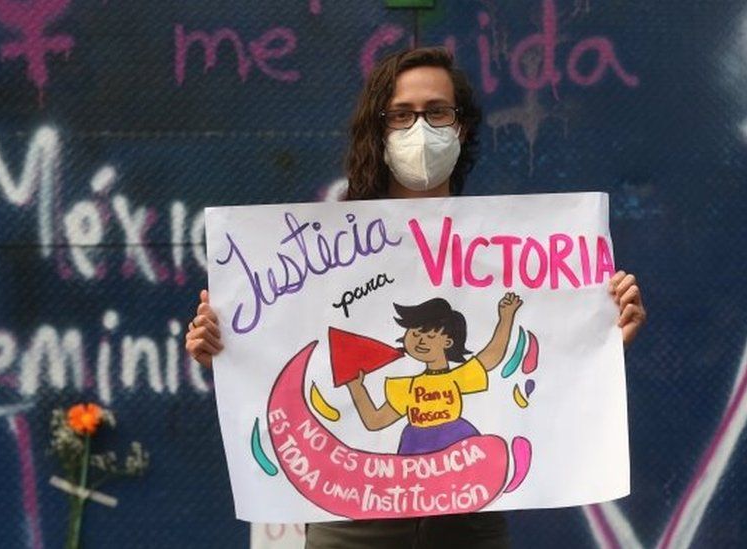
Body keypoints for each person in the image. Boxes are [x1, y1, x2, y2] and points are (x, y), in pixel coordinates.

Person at [185, 47, 646, 549]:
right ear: (378, 128)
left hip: (470, 521)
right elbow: (282, 352)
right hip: (352, 525)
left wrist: (600, 337)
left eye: (437, 111)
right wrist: (221, 347)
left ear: (462, 126)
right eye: (401, 114)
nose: (419, 128)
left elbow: (525, 365)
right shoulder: (324, 249)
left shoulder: (505, 249)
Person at [347, 293, 522, 454]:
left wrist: (506, 318)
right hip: (416, 448)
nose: (421, 340)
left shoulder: (456, 378)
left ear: (448, 342)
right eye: (415, 334)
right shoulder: (407, 388)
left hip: (456, 442)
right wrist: (356, 387)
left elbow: (492, 356)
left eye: (430, 336)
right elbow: (375, 421)